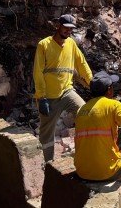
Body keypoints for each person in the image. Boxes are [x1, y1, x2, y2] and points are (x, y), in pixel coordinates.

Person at [74, 71, 121, 208]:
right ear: (109, 90)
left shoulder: (81, 110)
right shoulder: (113, 105)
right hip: (105, 171)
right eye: (112, 87)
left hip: (81, 171)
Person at [33, 13, 93, 162]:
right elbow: (38, 72)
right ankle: (47, 162)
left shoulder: (71, 44)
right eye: (66, 28)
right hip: (49, 96)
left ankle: (85, 150)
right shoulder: (44, 45)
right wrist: (41, 97)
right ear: (58, 26)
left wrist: (92, 82)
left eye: (71, 29)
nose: (68, 31)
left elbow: (82, 64)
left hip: (67, 91)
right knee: (46, 133)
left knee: (85, 113)